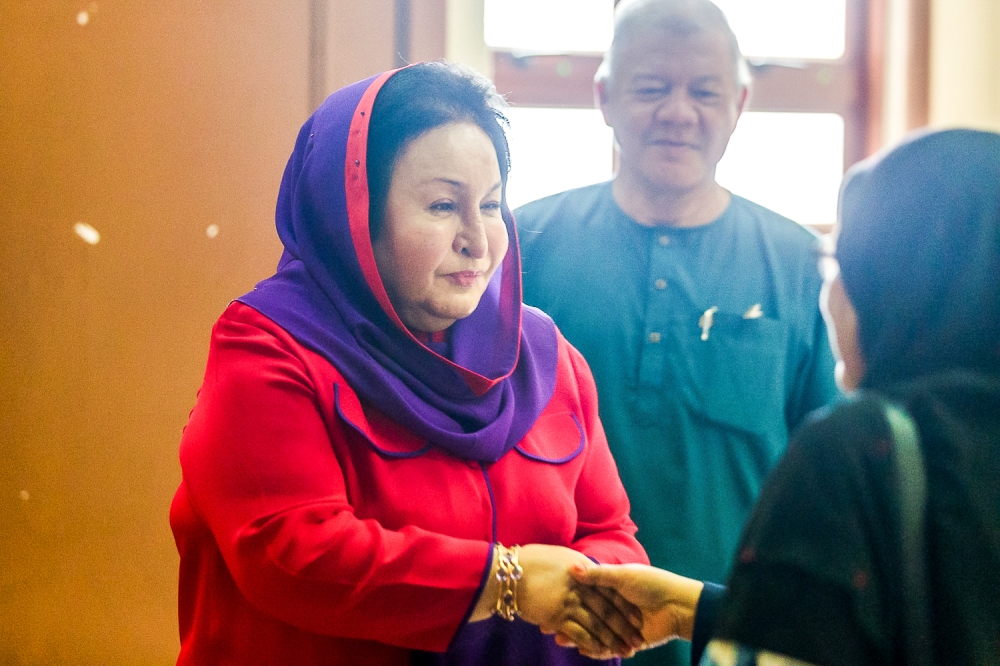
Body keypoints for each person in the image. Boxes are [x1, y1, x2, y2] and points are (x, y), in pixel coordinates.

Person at [168, 62, 651, 666]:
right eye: (443, 205)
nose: (478, 239)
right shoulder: (271, 347)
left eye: (492, 204)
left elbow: (609, 533)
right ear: (352, 212)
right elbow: (290, 550)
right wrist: (509, 581)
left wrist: (598, 592)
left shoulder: (544, 357)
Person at [569, 128, 1000, 665]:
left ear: (892, 286)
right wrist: (691, 609)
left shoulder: (855, 449)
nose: (829, 293)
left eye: (841, 265)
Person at [514, 1, 838, 662]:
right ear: (604, 97)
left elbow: (825, 480)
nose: (678, 113)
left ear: (740, 103)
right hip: (547, 635)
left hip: (729, 638)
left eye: (705, 92)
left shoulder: (802, 264)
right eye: (652, 88)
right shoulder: (521, 245)